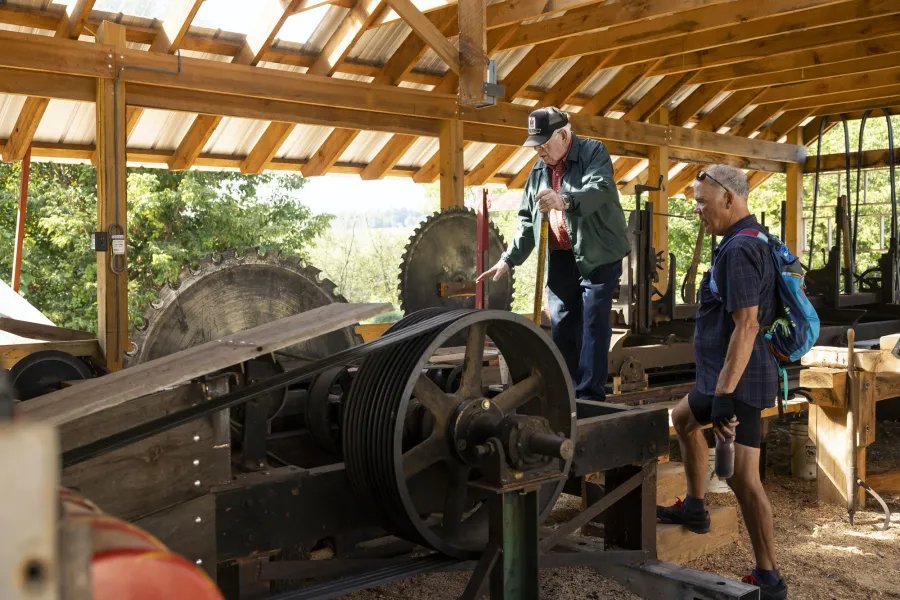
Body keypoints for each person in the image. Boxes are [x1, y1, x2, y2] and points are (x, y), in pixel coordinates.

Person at [656, 165, 786, 600]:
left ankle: (770, 578)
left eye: (701, 201)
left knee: (743, 479)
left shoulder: (737, 252)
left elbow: (747, 327)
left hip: (739, 383)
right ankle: (695, 507)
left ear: (729, 199)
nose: (696, 209)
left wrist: (726, 398)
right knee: (682, 419)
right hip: (720, 380)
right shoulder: (743, 240)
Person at [477, 107, 629, 400]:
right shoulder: (538, 171)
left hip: (600, 254)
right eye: (535, 145)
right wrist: (509, 259)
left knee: (594, 322)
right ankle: (566, 393)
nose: (539, 151)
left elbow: (600, 189)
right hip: (561, 256)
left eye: (543, 144)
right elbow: (527, 221)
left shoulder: (593, 152)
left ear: (563, 134)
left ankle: (589, 396)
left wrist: (564, 201)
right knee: (561, 324)